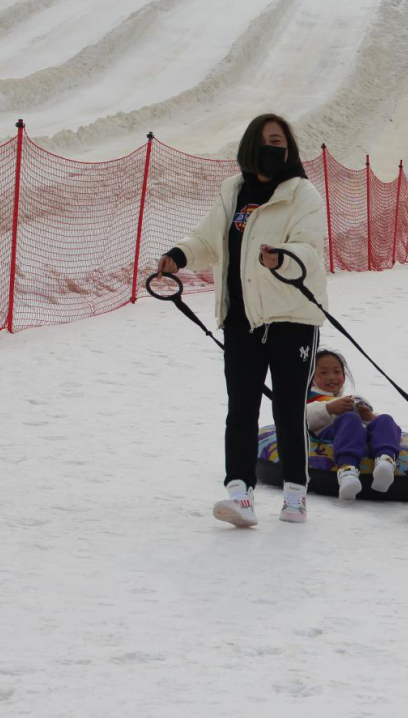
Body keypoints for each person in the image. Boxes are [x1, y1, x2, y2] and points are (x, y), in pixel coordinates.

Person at [157, 114, 328, 528]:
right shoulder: (232, 192)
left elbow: (309, 247)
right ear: (252, 145)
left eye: (282, 142)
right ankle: (240, 495)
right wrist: (178, 257)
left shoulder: (302, 193)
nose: (277, 149)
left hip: (291, 318)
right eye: (269, 140)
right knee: (241, 409)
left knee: (289, 409)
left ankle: (294, 495)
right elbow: (207, 239)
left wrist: (283, 258)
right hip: (240, 319)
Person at [306, 349, 402, 500]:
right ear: (311, 377)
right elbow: (302, 418)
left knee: (385, 419)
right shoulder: (311, 398)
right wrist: (329, 408)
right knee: (350, 419)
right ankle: (347, 471)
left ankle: (385, 462)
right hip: (329, 434)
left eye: (337, 372)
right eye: (323, 373)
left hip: (358, 433)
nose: (331, 377)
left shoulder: (348, 398)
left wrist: (369, 417)